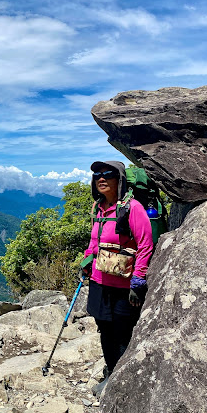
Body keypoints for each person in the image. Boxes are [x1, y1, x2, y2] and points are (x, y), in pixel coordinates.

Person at [82, 161, 154, 398]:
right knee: (105, 329)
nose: (101, 179)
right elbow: (95, 242)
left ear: (119, 179)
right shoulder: (98, 208)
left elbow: (145, 244)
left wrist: (138, 280)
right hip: (99, 281)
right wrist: (85, 263)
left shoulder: (132, 208)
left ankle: (123, 380)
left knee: (123, 332)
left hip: (124, 285)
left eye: (108, 174)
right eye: (97, 175)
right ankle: (112, 372)